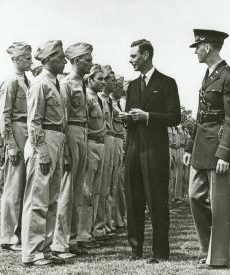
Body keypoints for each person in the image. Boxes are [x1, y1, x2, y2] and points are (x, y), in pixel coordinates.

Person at [183, 29, 230, 269]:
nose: (195, 51)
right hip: (200, 145)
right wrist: (189, 145)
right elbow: (200, 115)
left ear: (208, 47)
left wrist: (225, 153)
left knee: (219, 203)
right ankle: (207, 248)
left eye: (197, 47)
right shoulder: (208, 75)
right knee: (194, 196)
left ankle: (217, 256)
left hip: (218, 146)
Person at [120, 39, 181, 263]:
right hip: (134, 148)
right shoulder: (132, 86)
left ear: (145, 55)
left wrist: (148, 117)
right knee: (133, 200)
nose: (131, 60)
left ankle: (160, 252)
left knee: (157, 201)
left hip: (155, 150)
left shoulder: (167, 83)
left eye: (134, 56)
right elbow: (129, 116)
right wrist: (126, 119)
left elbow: (175, 116)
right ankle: (135, 250)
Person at [22, 40, 67, 266]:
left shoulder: (55, 83)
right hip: (44, 140)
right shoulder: (40, 84)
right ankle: (32, 251)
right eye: (60, 57)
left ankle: (45, 248)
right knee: (38, 199)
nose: (64, 60)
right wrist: (42, 150)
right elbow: (34, 121)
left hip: (57, 138)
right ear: (48, 59)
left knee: (52, 199)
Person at [51, 42, 94, 258]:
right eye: (87, 60)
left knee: (77, 191)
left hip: (83, 133)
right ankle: (59, 243)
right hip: (72, 133)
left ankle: (73, 238)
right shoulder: (67, 83)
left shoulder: (83, 83)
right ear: (76, 61)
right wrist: (66, 149)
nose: (91, 63)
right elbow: (63, 117)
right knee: (66, 191)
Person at [0, 42, 32, 251]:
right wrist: (10, 145)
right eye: (27, 58)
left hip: (27, 131)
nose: (31, 61)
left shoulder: (27, 81)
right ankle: (8, 236)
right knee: (13, 186)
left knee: (25, 185)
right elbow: (4, 115)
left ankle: (19, 233)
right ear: (17, 59)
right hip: (17, 131)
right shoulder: (10, 82)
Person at [84, 64, 108, 242]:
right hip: (90, 144)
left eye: (104, 78)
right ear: (89, 79)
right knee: (86, 191)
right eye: (100, 78)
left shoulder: (99, 99)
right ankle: (83, 234)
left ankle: (92, 230)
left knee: (97, 191)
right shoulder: (86, 97)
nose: (104, 82)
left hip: (101, 144)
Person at [94, 65, 116, 237]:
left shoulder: (108, 101)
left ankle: (105, 222)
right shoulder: (96, 98)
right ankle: (96, 226)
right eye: (111, 80)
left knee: (108, 184)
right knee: (95, 188)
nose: (114, 83)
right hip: (99, 140)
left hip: (108, 140)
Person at [109, 74, 126, 229]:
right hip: (111, 141)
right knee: (111, 184)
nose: (120, 89)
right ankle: (112, 220)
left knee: (118, 185)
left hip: (120, 142)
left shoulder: (119, 103)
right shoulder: (110, 103)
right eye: (118, 86)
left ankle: (117, 218)